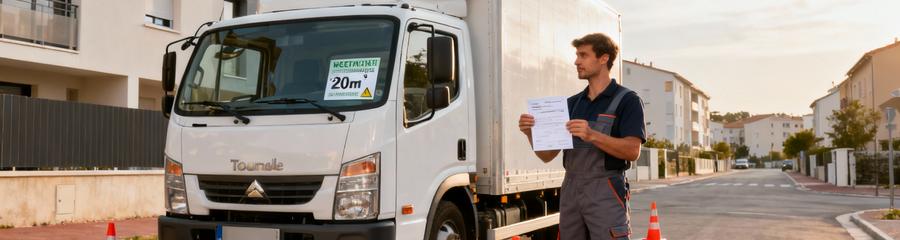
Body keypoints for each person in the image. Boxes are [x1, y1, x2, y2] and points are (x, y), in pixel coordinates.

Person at [519, 33, 646, 240]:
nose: (576, 61)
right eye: (577, 55)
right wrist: (530, 133)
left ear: (604, 58)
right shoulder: (571, 104)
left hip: (605, 189)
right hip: (571, 188)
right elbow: (547, 156)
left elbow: (633, 151)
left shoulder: (627, 100)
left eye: (583, 55)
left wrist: (592, 135)